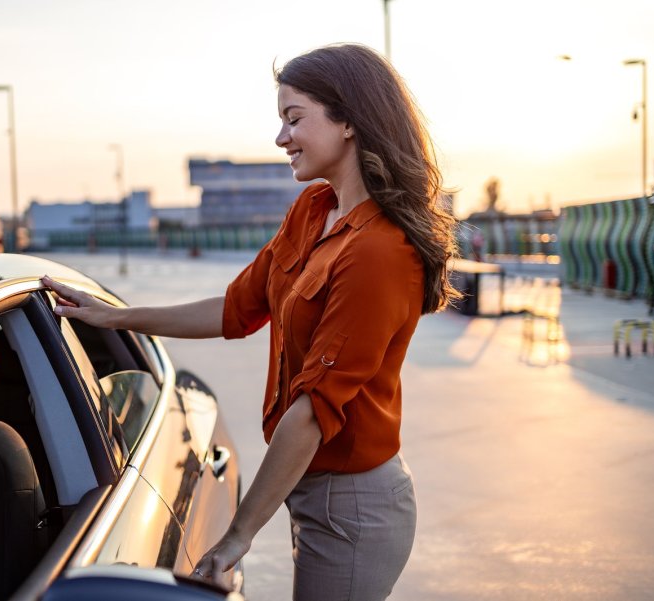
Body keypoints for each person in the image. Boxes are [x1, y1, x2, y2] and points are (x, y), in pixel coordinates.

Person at [42, 43, 458, 601]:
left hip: (353, 504)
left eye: (294, 119)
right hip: (311, 490)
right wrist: (113, 317)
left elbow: (313, 413)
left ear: (351, 122)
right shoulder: (312, 210)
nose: (281, 138)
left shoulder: (380, 251)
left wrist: (238, 536)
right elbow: (235, 309)